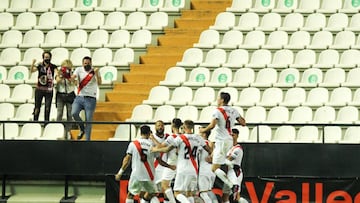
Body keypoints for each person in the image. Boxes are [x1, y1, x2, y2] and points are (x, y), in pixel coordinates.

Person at [152, 120, 211, 203]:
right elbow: (209, 150)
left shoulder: (181, 138)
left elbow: (166, 149)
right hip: (194, 170)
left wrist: (154, 149)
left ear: (184, 127)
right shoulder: (198, 138)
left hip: (182, 169)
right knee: (189, 194)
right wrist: (211, 156)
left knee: (177, 193)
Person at [199, 92, 246, 192]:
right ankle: (227, 162)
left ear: (222, 100)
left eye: (218, 98)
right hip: (229, 139)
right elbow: (243, 123)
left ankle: (231, 184)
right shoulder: (234, 110)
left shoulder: (217, 111)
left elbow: (212, 125)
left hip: (221, 140)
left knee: (214, 168)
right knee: (219, 164)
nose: (217, 100)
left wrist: (203, 130)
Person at [115, 125, 175, 203]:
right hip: (149, 175)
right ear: (149, 133)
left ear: (140, 133)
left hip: (136, 174)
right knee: (152, 193)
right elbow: (160, 161)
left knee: (131, 194)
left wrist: (120, 173)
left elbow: (127, 159)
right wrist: (169, 166)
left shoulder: (133, 144)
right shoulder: (152, 145)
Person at [70, 56, 101, 141]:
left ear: (91, 63)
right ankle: (82, 128)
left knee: (88, 120)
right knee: (74, 113)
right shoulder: (79, 69)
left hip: (91, 98)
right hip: (80, 97)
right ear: (82, 64)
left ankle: (87, 140)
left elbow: (100, 83)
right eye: (85, 63)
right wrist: (72, 78)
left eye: (88, 63)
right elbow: (74, 76)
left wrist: (97, 74)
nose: (86, 65)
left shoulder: (95, 71)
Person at [30, 51, 58, 122]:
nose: (47, 58)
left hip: (49, 90)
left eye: (48, 57)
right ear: (43, 58)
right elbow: (32, 71)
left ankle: (46, 123)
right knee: (37, 108)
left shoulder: (53, 66)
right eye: (45, 57)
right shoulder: (40, 66)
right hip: (39, 89)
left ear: (50, 58)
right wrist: (33, 63)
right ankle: (35, 122)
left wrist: (58, 76)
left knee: (47, 108)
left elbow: (57, 72)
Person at [55, 59, 76, 139]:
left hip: (70, 94)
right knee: (59, 113)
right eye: (64, 68)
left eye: (67, 68)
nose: (66, 69)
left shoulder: (73, 73)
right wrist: (62, 75)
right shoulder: (59, 72)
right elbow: (57, 81)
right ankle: (57, 130)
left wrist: (69, 76)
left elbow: (74, 82)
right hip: (60, 94)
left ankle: (68, 132)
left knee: (69, 114)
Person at [222, 128, 244, 203]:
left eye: (233, 135)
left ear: (237, 136)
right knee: (225, 195)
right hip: (229, 171)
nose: (231, 137)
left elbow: (229, 159)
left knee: (236, 194)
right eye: (230, 135)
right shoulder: (229, 148)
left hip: (235, 172)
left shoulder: (238, 149)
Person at [198, 126, 217, 203]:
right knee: (209, 191)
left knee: (203, 193)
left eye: (200, 133)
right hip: (212, 171)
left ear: (204, 134)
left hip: (203, 171)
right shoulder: (212, 144)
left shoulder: (201, 144)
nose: (198, 135)